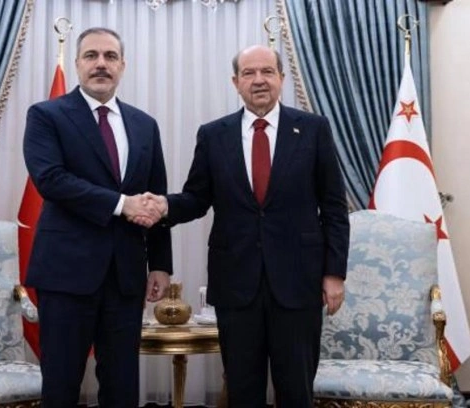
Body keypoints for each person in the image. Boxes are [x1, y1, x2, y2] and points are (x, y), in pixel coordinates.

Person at [142, 45, 350, 407]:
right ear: (235, 82)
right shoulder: (213, 135)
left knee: (296, 389)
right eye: (249, 73)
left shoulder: (313, 129)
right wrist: (163, 206)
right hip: (236, 283)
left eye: (267, 72)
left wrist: (334, 274)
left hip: (298, 282)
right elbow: (196, 198)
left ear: (281, 78)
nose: (259, 80)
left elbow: (333, 207)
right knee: (241, 389)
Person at [22, 27, 172, 407]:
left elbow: (154, 198)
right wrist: (121, 204)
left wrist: (160, 264)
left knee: (122, 387)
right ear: (77, 63)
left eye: (110, 56)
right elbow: (51, 180)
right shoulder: (46, 115)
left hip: (126, 276)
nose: (101, 64)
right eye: (91, 56)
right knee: (61, 386)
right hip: (66, 274)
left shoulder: (144, 124)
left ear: (123, 65)